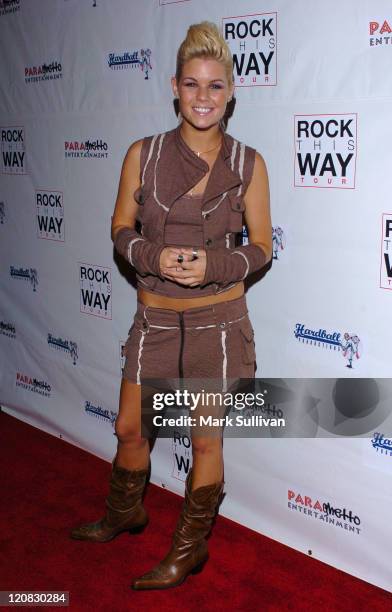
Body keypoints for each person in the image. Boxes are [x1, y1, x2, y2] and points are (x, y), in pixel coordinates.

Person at [70, 21, 272, 590]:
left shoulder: (249, 164)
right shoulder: (144, 153)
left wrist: (215, 265)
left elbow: (262, 247)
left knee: (206, 439)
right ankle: (125, 511)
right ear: (174, 88)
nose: (202, 97)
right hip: (154, 319)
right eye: (191, 84)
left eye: (214, 86)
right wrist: (152, 257)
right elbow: (118, 227)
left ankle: (189, 549)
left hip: (219, 325)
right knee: (129, 429)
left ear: (231, 91)